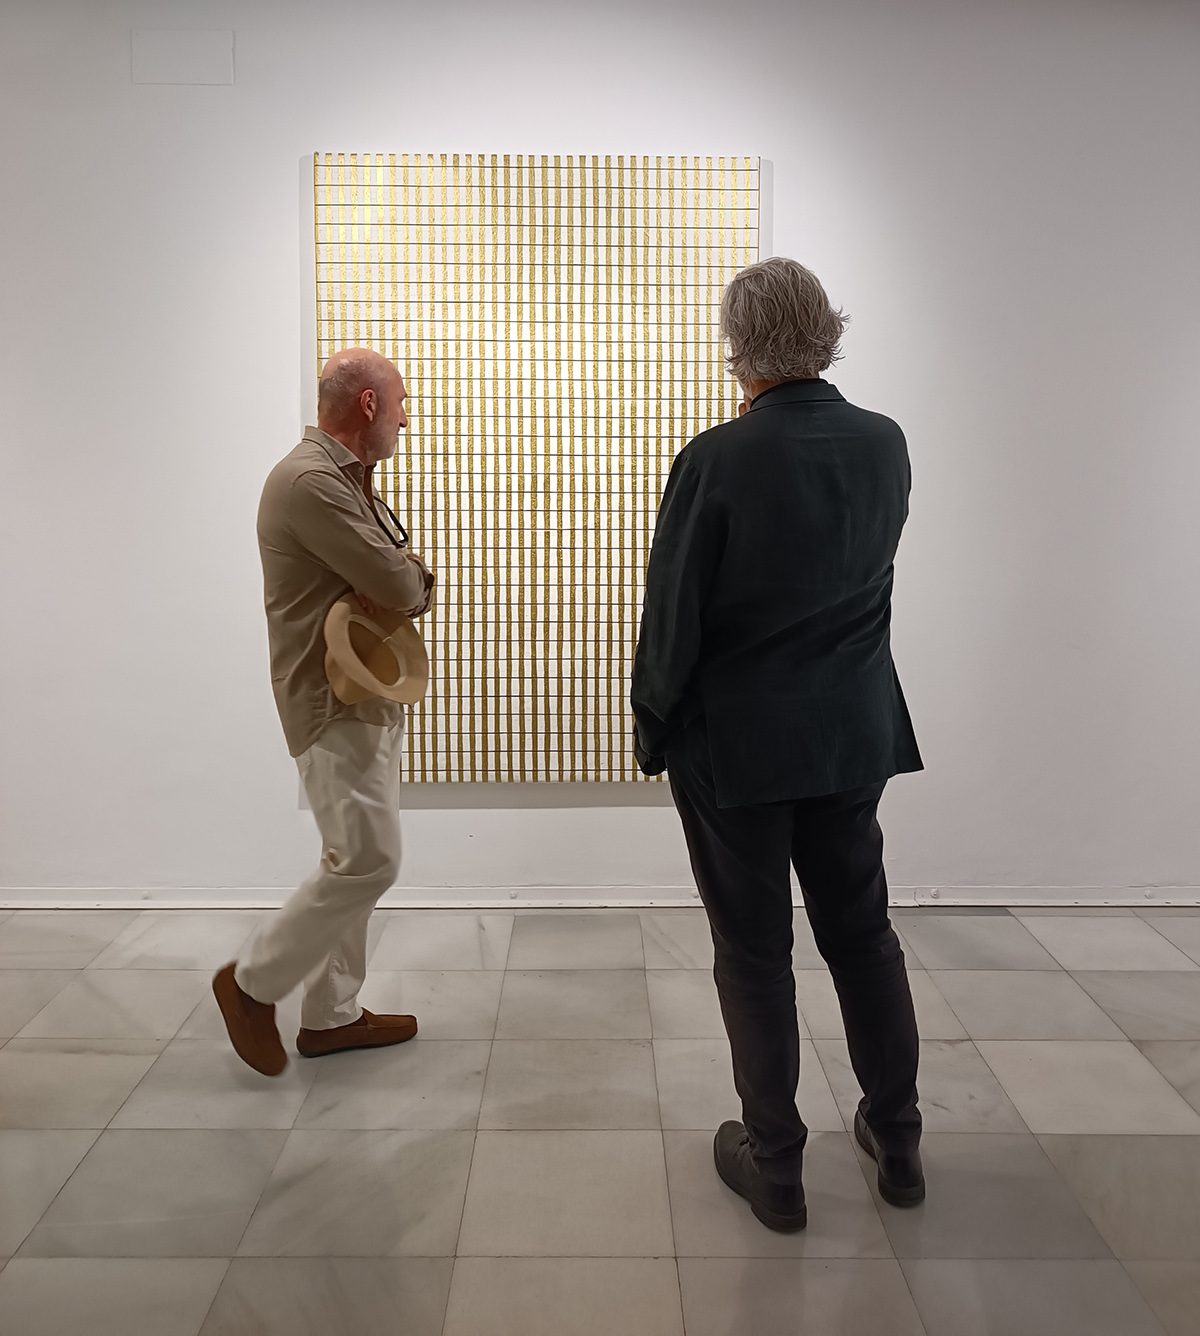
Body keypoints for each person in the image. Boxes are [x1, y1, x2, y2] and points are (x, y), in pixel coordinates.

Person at [631, 258, 925, 1231]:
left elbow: (674, 617)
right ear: (827, 332)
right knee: (863, 935)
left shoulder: (716, 458)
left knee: (755, 953)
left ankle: (780, 1167)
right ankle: (898, 1137)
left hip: (739, 748)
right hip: (853, 732)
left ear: (738, 347)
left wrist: (653, 725)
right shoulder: (885, 442)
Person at [214, 348, 435, 1076]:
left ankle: (332, 1015)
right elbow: (399, 585)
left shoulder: (340, 479)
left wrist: (397, 575)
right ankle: (251, 985)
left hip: (357, 693)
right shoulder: (312, 482)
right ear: (369, 405)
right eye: (400, 404)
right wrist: (408, 579)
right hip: (331, 700)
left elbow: (391, 573)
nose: (405, 419)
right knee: (370, 861)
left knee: (349, 857)